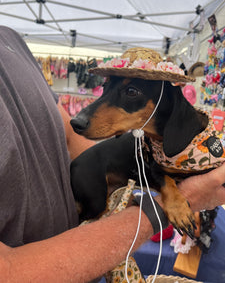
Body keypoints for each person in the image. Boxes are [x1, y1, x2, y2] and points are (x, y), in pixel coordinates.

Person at [0, 25, 225, 283]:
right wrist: (170, 204)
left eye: (130, 92)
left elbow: (72, 135)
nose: (85, 115)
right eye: (110, 88)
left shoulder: (11, 38)